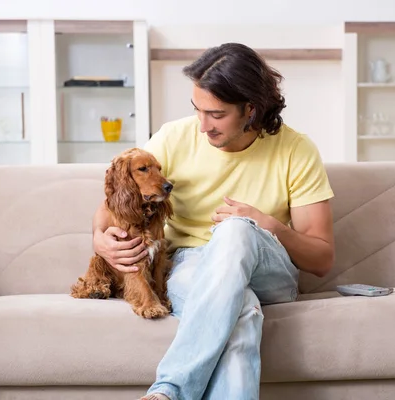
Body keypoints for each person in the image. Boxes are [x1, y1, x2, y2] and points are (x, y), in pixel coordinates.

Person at [92, 42, 335, 400]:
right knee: (242, 314)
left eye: (217, 114)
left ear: (250, 110)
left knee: (235, 230)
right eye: (197, 110)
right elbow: (114, 200)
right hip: (192, 263)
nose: (203, 126)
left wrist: (266, 224)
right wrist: (99, 237)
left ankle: (170, 390)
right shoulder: (176, 137)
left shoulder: (296, 150)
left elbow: (322, 260)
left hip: (268, 267)